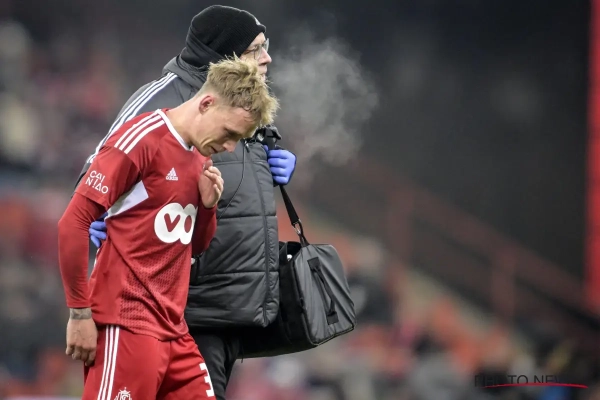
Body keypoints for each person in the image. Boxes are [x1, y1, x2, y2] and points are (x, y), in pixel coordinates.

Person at [82, 6, 296, 399]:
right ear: (225, 54)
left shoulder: (248, 101)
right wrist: (98, 216)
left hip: (231, 306)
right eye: (256, 49)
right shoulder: (162, 98)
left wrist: (274, 163)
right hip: (181, 305)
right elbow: (96, 174)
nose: (267, 58)